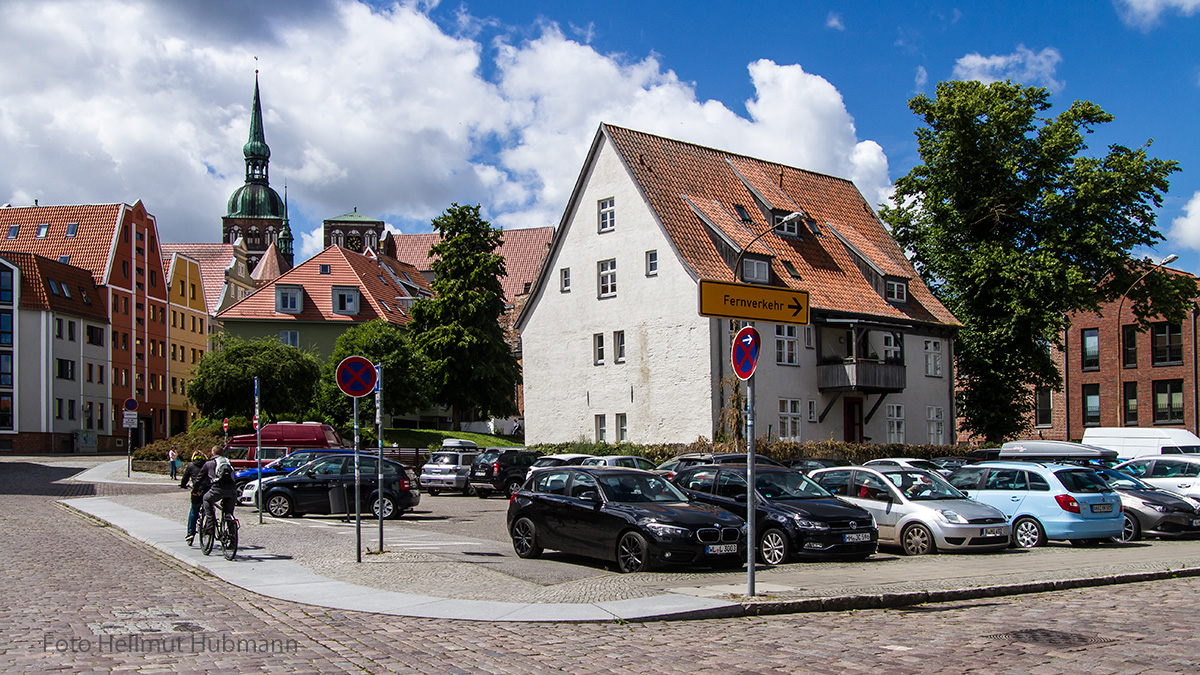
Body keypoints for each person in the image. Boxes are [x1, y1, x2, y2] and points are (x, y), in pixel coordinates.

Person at [201, 445, 237, 536]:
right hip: (232, 490)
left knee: (206, 499)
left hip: (217, 489)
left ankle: (210, 525)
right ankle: (232, 539)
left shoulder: (210, 463)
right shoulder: (228, 462)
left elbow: (200, 478)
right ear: (223, 453)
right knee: (229, 513)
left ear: (212, 453)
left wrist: (195, 489)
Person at [179, 451, 210, 546]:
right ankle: (209, 527)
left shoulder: (191, 466)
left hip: (196, 491)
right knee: (209, 510)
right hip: (207, 490)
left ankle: (190, 532)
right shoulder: (208, 465)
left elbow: (185, 478)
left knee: (194, 511)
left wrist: (183, 485)